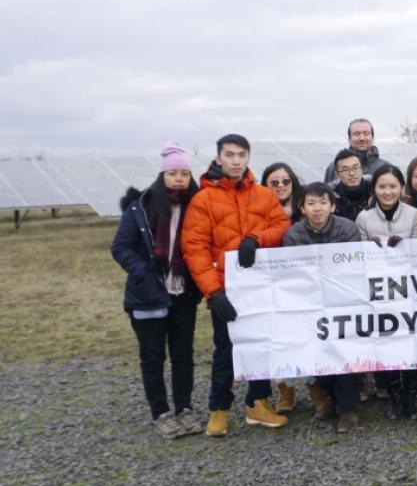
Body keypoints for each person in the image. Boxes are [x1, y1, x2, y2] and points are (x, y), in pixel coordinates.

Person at [181, 134, 291, 437]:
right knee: (225, 350)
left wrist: (257, 238)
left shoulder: (263, 195)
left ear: (248, 157)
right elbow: (195, 248)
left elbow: (281, 227)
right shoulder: (203, 200)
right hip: (225, 290)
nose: (235, 161)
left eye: (241, 155)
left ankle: (257, 402)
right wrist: (213, 293)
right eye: (229, 155)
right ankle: (219, 409)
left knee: (261, 346)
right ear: (218, 158)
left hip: (260, 289)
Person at [111, 142, 204, 439]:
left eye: (185, 173)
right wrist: (143, 272)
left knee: (183, 355)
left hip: (183, 294)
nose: (179, 179)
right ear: (162, 175)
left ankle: (185, 408)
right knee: (152, 356)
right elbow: (121, 247)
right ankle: (161, 411)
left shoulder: (197, 206)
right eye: (173, 173)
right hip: (148, 294)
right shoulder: (141, 208)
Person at [283, 182, 364, 433]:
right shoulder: (294, 236)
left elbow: (355, 267)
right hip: (311, 304)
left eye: (323, 202)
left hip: (344, 302)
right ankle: (332, 398)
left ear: (333, 205)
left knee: (345, 352)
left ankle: (348, 409)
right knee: (316, 353)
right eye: (311, 203)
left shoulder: (347, 229)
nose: (317, 208)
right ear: (302, 208)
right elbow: (294, 275)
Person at [355, 165, 417, 421]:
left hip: (408, 289)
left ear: (401, 188)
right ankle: (394, 395)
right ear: (374, 189)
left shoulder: (414, 215)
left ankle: (411, 394)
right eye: (382, 186)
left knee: (411, 341)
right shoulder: (364, 218)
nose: (388, 192)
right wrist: (371, 249)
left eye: (393, 186)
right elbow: (360, 259)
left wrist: (403, 247)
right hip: (378, 291)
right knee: (384, 340)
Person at [260, 162, 328, 414]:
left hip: (305, 283)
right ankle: (285, 387)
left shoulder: (307, 210)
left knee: (307, 334)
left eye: (285, 181)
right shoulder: (260, 209)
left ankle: (313, 384)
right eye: (274, 182)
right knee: (279, 335)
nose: (280, 186)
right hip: (272, 284)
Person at [324, 118, 390, 182]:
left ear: (372, 137)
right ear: (349, 138)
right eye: (356, 134)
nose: (362, 138)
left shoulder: (386, 168)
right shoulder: (334, 168)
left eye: (366, 133)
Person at [331, 149, 373, 221]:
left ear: (362, 169)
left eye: (355, 168)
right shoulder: (331, 197)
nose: (352, 173)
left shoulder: (374, 192)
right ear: (337, 174)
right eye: (345, 170)